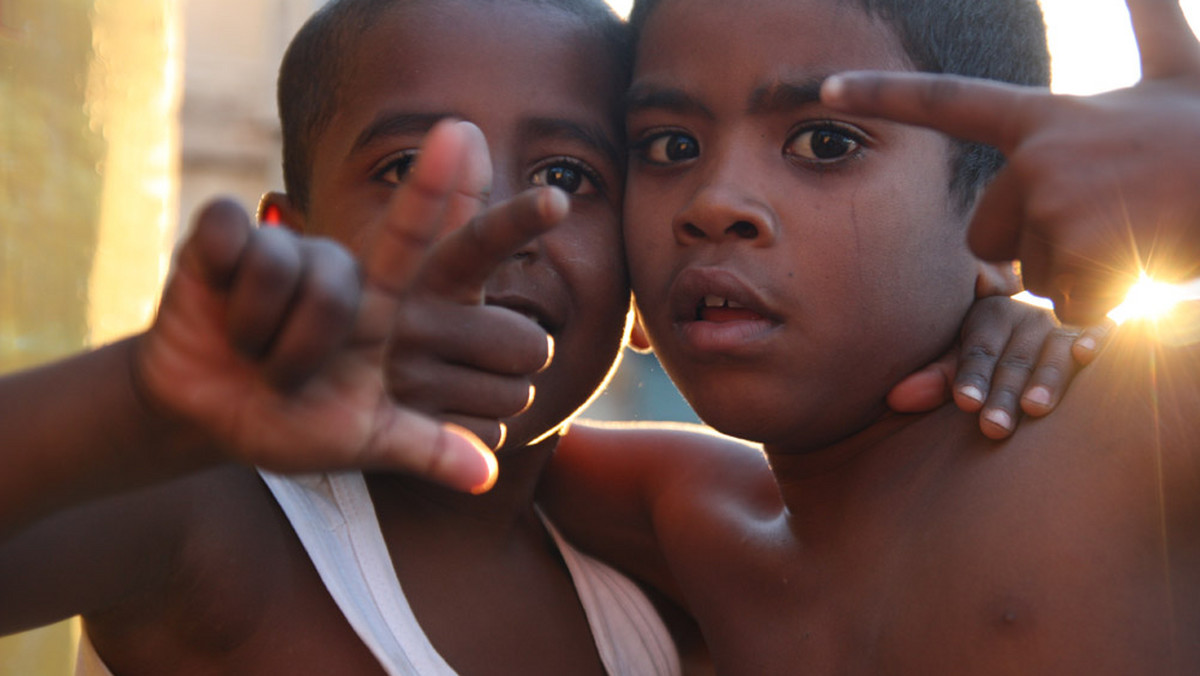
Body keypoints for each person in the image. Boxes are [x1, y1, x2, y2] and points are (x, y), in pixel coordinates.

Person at [0, 1, 1100, 675]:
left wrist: (987, 308)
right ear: (291, 234)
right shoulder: (215, 520)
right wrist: (143, 406)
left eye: (571, 177)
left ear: (638, 279)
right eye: (404, 169)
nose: (490, 221)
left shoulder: (659, 556)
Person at [536, 0, 1200, 673]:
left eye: (825, 144)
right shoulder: (689, 522)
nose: (714, 202)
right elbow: (465, 447)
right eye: (670, 147)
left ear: (1008, 211)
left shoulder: (1136, 430)